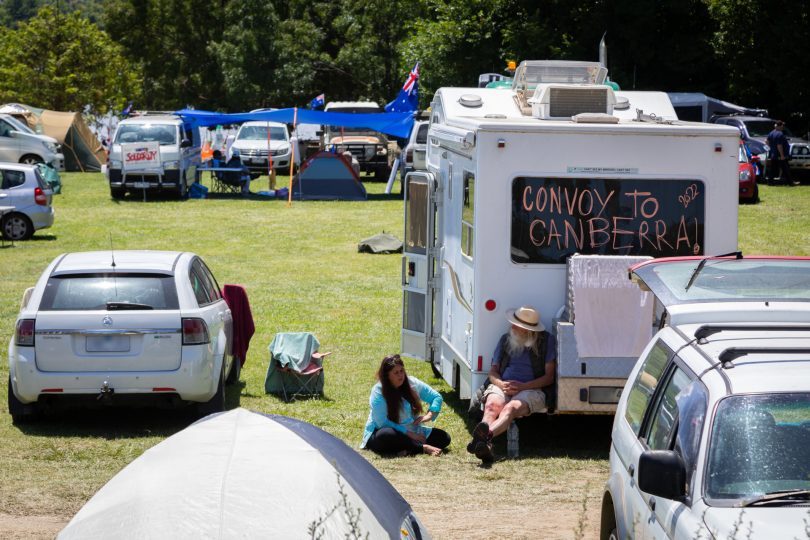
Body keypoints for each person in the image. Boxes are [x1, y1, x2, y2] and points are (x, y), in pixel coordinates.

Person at [467, 306, 557, 464]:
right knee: (491, 407)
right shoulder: (505, 339)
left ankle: (484, 438)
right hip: (503, 385)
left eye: (517, 325)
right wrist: (501, 384)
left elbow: (549, 378)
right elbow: (493, 372)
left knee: (511, 408)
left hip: (532, 389)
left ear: (528, 330)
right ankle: (485, 444)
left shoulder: (547, 341)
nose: (512, 327)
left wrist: (522, 387)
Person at [361, 354, 451, 457]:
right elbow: (382, 422)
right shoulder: (378, 391)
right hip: (385, 432)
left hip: (412, 429)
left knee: (444, 438)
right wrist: (411, 435)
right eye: (396, 373)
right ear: (387, 375)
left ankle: (405, 449)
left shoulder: (412, 383)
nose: (401, 375)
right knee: (386, 435)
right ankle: (421, 448)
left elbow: (436, 397)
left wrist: (429, 415)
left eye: (402, 371)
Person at [766, 120, 797, 186]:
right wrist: (782, 155)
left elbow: (766, 141)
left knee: (773, 169)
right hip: (780, 156)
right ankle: (790, 183)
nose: (783, 127)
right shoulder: (780, 134)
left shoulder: (771, 133)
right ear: (780, 126)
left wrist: (771, 148)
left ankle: (770, 182)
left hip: (774, 154)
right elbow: (779, 145)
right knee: (786, 169)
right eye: (782, 125)